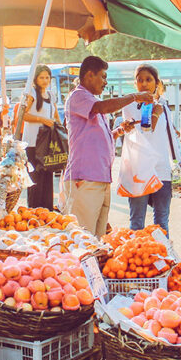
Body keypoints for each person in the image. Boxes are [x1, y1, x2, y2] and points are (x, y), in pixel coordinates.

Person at [61, 56, 153, 238]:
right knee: (83, 238)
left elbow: (99, 137)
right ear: (89, 75)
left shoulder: (92, 101)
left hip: (100, 178)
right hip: (84, 178)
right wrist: (135, 96)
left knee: (98, 238)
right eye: (103, 76)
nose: (105, 82)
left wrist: (119, 131)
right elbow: (103, 107)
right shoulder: (79, 96)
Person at [120, 65, 181, 233]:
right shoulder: (128, 107)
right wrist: (154, 112)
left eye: (148, 80)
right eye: (140, 80)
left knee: (161, 222)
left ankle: (163, 257)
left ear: (156, 83)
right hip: (139, 172)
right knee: (137, 223)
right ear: (135, 84)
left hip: (162, 170)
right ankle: (136, 257)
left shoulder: (163, 107)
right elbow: (146, 130)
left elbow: (171, 139)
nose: (144, 84)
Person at [22, 65, 62, 210]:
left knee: (47, 177)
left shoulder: (51, 95)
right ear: (35, 79)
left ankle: (47, 210)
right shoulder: (31, 94)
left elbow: (56, 116)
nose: (45, 80)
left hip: (48, 143)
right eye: (42, 78)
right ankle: (33, 210)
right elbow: (23, 116)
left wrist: (61, 129)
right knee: (35, 178)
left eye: (47, 77)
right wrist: (42, 120)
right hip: (32, 143)